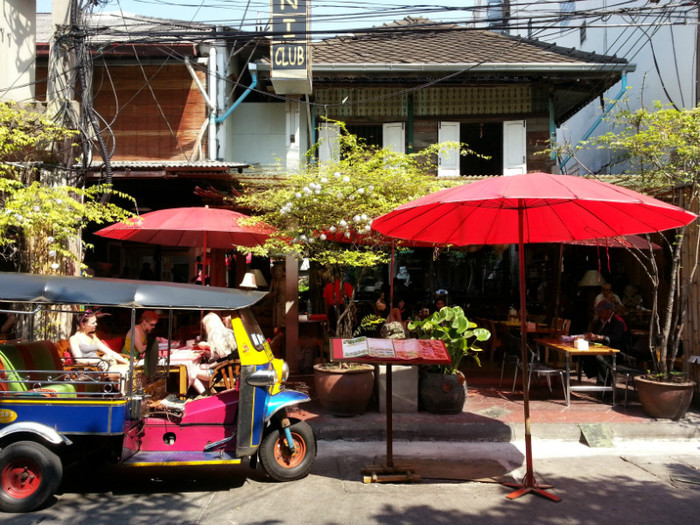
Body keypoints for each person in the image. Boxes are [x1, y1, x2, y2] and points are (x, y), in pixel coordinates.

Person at [188, 312, 239, 394]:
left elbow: (225, 359)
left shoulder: (219, 337)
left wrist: (209, 366)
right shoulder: (226, 333)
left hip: (226, 372)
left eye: (204, 326)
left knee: (191, 372)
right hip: (228, 370)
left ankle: (205, 395)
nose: (204, 328)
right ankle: (206, 394)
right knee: (194, 372)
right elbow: (223, 356)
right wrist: (210, 354)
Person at [583, 300, 629, 383]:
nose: (598, 313)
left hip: (617, 351)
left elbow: (616, 338)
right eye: (598, 311)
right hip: (601, 349)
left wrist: (600, 337)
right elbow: (594, 333)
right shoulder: (599, 322)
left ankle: (606, 383)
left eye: (601, 311)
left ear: (609, 311)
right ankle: (599, 378)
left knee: (599, 358)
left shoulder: (618, 322)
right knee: (585, 355)